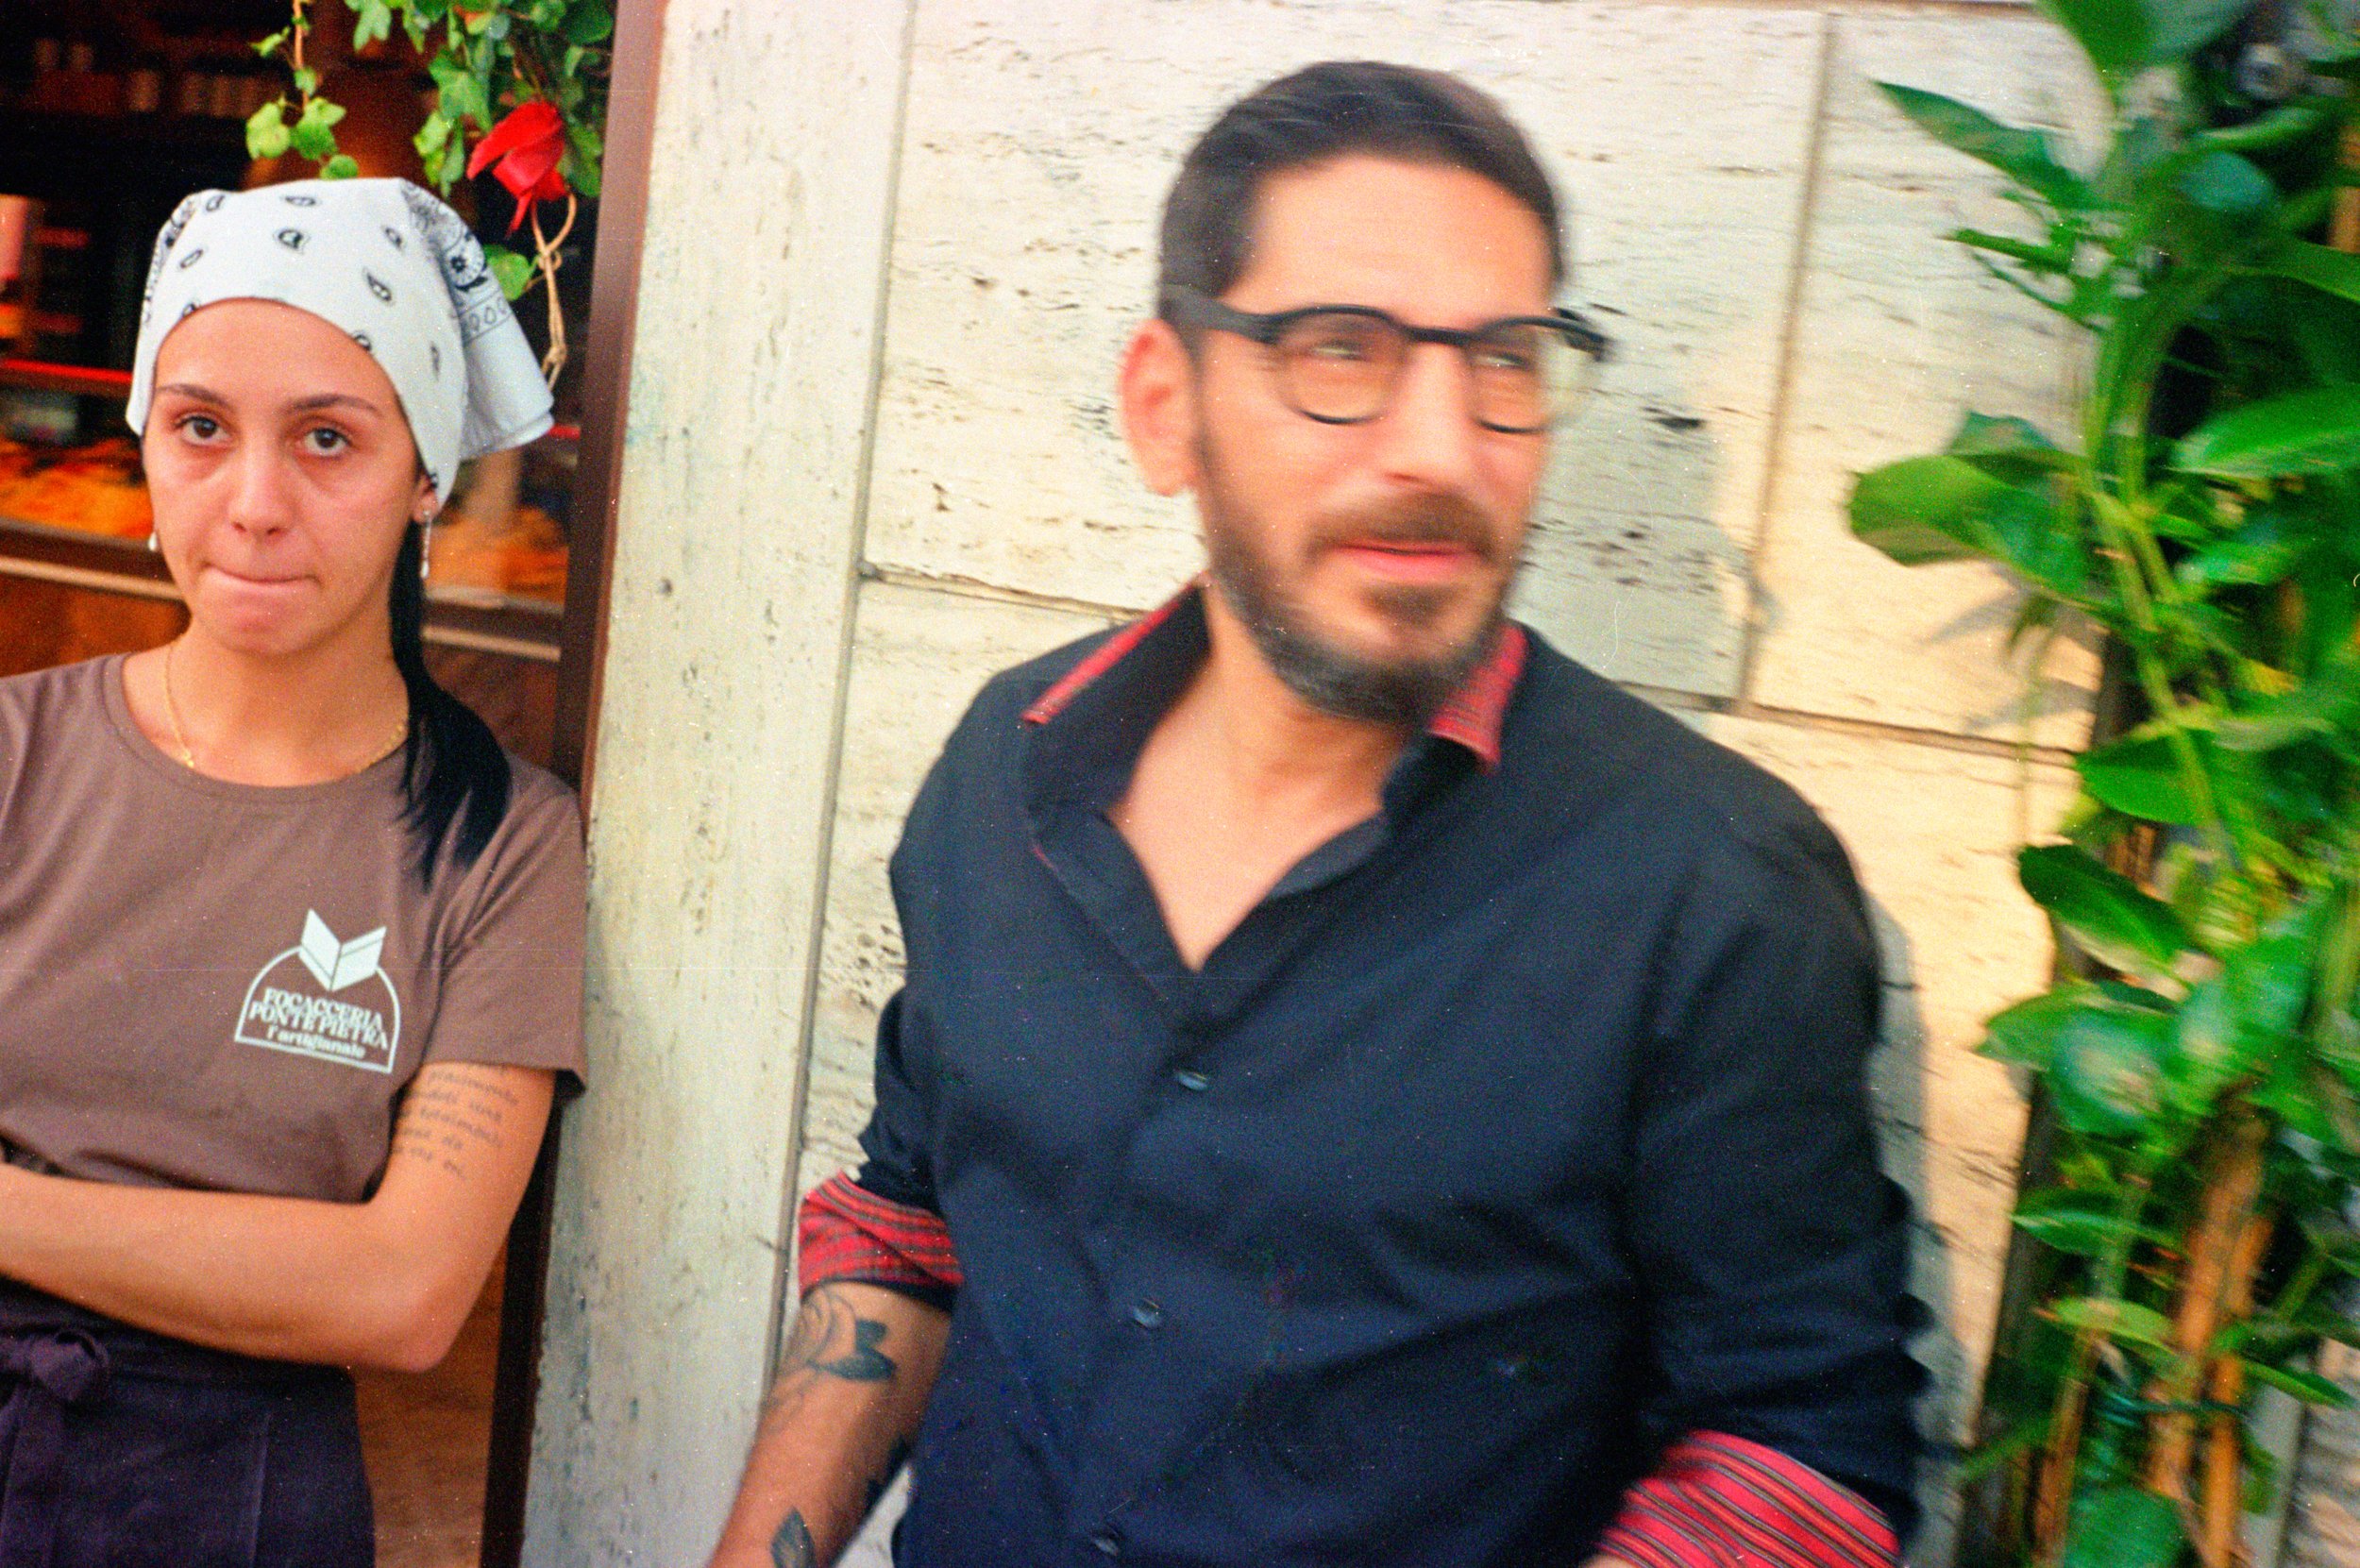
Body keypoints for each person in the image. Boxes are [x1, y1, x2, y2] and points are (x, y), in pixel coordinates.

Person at [710, 61, 1921, 1568]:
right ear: (1168, 407)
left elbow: (1794, 1450)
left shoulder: (1713, 888)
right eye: (1339, 350)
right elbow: (912, 1223)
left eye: (1504, 360)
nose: (1439, 445)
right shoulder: (1001, 776)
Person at [0, 177, 583, 1564]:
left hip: (240, 1502)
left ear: (426, 473)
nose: (254, 504)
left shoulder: (504, 843)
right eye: (201, 428)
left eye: (328, 438)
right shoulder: (14, 754)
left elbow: (404, 1292)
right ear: (147, 443)